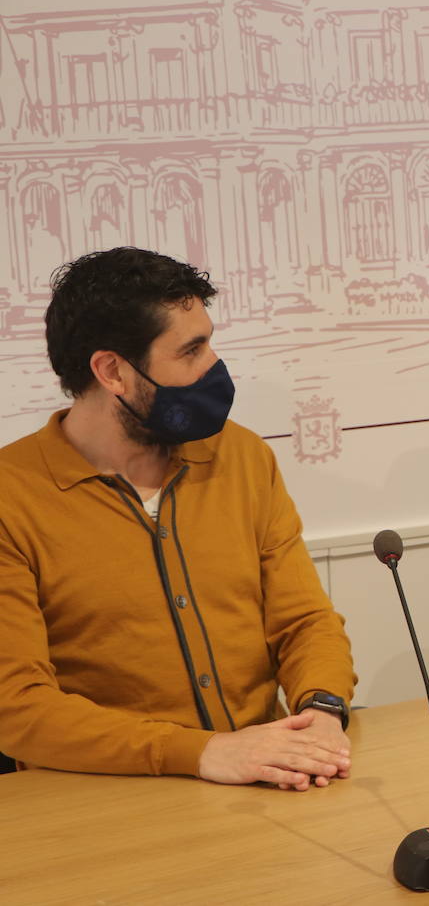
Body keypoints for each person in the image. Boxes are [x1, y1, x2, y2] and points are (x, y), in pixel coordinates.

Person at [0, 247, 356, 790]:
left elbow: (305, 620)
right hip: (101, 802)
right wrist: (203, 752)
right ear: (112, 371)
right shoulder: (12, 495)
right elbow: (18, 708)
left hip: (267, 782)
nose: (213, 364)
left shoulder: (242, 457)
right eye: (191, 349)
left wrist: (324, 712)